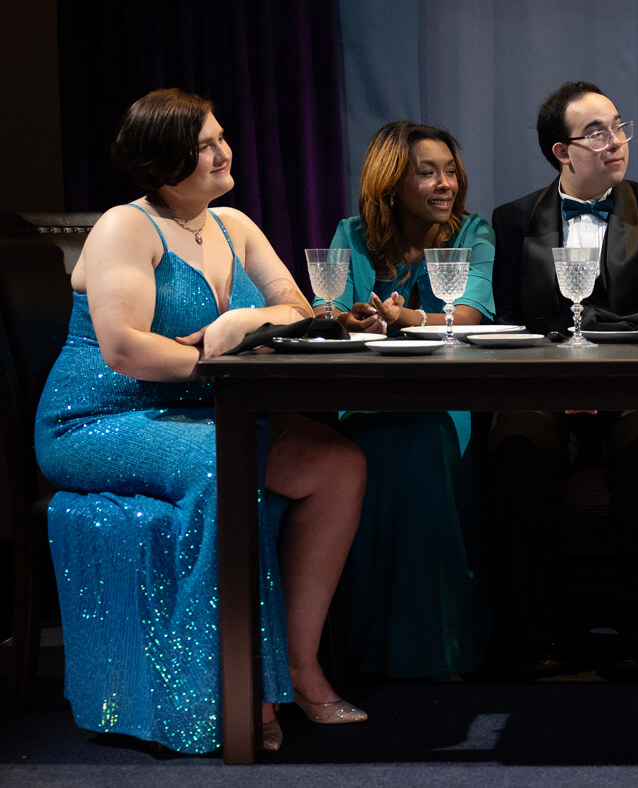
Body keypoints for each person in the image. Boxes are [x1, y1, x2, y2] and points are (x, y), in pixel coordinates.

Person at [33, 88, 367, 754]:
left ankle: (298, 668)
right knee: (225, 459)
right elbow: (124, 348)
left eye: (221, 137)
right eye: (205, 144)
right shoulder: (124, 228)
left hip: (208, 412)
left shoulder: (234, 224)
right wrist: (215, 349)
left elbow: (297, 307)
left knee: (337, 465)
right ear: (163, 162)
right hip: (99, 420)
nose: (223, 152)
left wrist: (238, 325)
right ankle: (234, 692)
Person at [489, 81, 638, 675]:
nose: (616, 143)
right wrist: (560, 386)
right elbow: (510, 319)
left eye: (619, 128)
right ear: (562, 152)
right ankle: (538, 636)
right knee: (515, 454)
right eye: (597, 133)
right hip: (545, 388)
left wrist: (615, 365)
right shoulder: (513, 218)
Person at [319, 120, 496, 681]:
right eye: (428, 173)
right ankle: (364, 648)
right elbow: (332, 316)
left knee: (422, 441)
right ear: (392, 182)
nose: (445, 184)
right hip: (365, 401)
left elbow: (470, 315)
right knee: (374, 449)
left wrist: (408, 317)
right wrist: (356, 319)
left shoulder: (473, 233)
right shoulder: (351, 234)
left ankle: (435, 649)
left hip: (446, 403)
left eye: (450, 171)